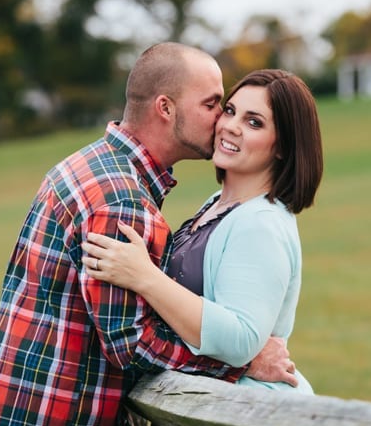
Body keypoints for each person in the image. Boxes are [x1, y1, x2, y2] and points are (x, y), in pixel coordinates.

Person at [0, 44, 295, 426]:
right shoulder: (121, 199)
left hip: (21, 411)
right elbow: (135, 344)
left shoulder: (91, 165)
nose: (222, 123)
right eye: (214, 106)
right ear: (166, 108)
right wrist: (242, 363)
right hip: (52, 419)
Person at [81, 69, 323, 393]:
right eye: (230, 111)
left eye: (254, 122)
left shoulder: (260, 222)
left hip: (247, 415)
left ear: (282, 146)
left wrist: (145, 277)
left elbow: (241, 339)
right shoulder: (218, 204)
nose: (231, 127)